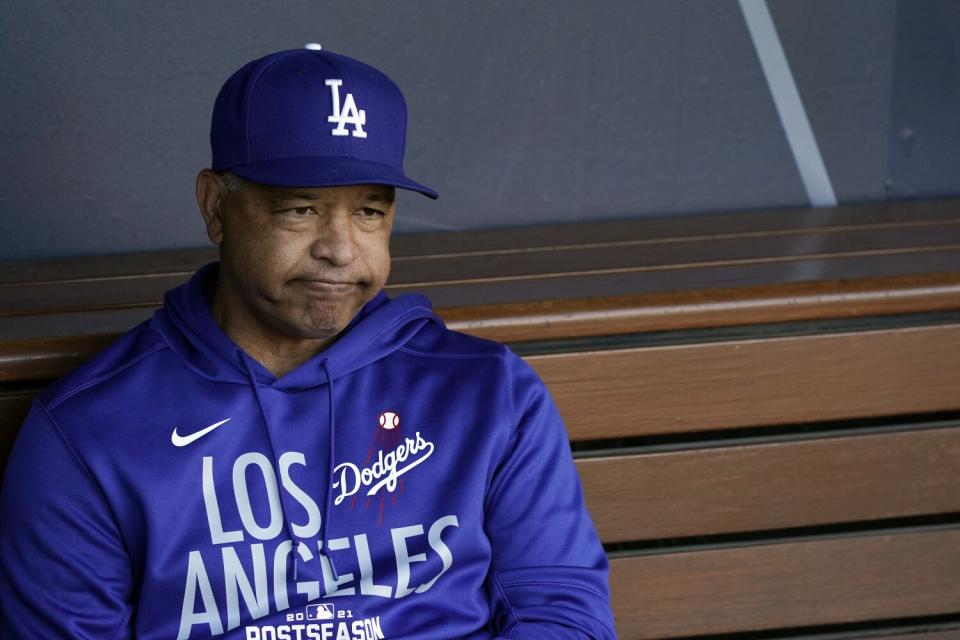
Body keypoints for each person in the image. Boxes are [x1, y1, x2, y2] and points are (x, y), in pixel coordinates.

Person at [0, 46, 615, 639]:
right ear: (215, 206)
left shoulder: (488, 394)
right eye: (300, 208)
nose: (341, 249)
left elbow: (564, 613)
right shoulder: (89, 431)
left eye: (369, 212)